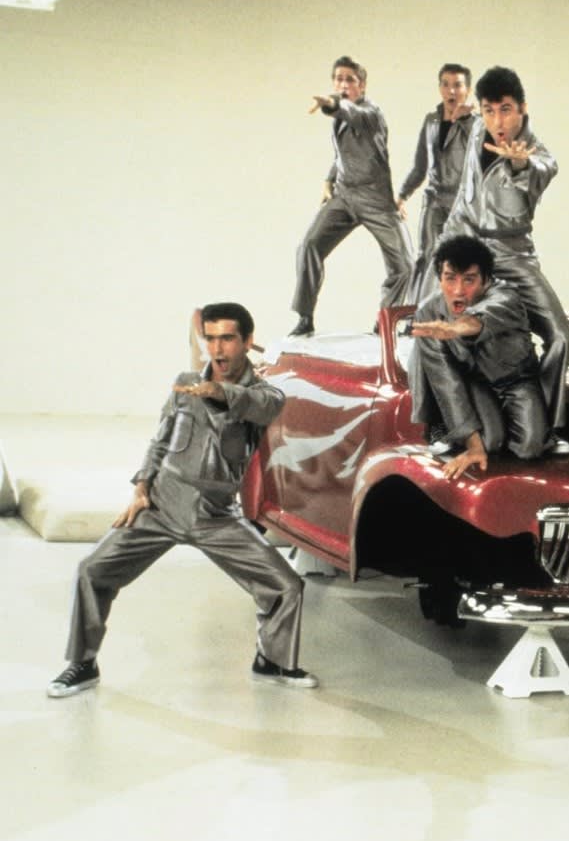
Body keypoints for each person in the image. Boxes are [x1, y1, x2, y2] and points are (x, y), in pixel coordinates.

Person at [47, 303, 317, 698]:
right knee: (91, 571)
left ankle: (272, 661)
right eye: (211, 338)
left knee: (286, 586)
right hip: (163, 504)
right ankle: (82, 664)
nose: (218, 348)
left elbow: (260, 406)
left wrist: (217, 391)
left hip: (217, 515)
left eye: (228, 338)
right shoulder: (185, 383)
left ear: (247, 341)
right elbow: (160, 439)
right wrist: (142, 486)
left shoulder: (266, 393)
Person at [434, 65, 569, 454]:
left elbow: (537, 169)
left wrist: (518, 163)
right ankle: (445, 427)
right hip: (465, 249)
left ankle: (548, 428)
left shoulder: (538, 155)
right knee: (436, 330)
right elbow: (462, 197)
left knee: (560, 336)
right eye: (490, 111)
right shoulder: (477, 130)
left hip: (512, 254)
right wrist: (442, 248)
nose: (498, 121)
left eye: (506, 110)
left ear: (522, 109)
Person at [291, 55, 414, 337]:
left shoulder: (371, 114)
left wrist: (332, 104)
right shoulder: (340, 119)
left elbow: (351, 113)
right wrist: (329, 179)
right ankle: (305, 317)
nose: (343, 85)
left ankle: (386, 322)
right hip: (344, 196)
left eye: (350, 80)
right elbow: (343, 154)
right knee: (308, 246)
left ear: (363, 85)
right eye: (338, 80)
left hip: (376, 200)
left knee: (405, 265)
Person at [408, 234, 546, 478]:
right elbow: (446, 380)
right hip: (473, 381)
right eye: (450, 278)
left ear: (486, 280)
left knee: (529, 447)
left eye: (469, 280)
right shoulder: (428, 312)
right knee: (489, 442)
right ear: (440, 278)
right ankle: (441, 427)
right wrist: (473, 446)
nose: (458, 290)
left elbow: (481, 318)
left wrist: (454, 329)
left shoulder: (506, 298)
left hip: (516, 381)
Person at [397, 63, 477, 303]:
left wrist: (465, 120)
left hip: (462, 203)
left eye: (458, 85)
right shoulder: (431, 121)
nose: (451, 91)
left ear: (468, 90)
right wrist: (402, 196)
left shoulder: (476, 124)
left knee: (459, 262)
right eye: (446, 84)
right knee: (426, 256)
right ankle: (415, 312)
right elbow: (420, 165)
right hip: (434, 199)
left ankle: (453, 313)